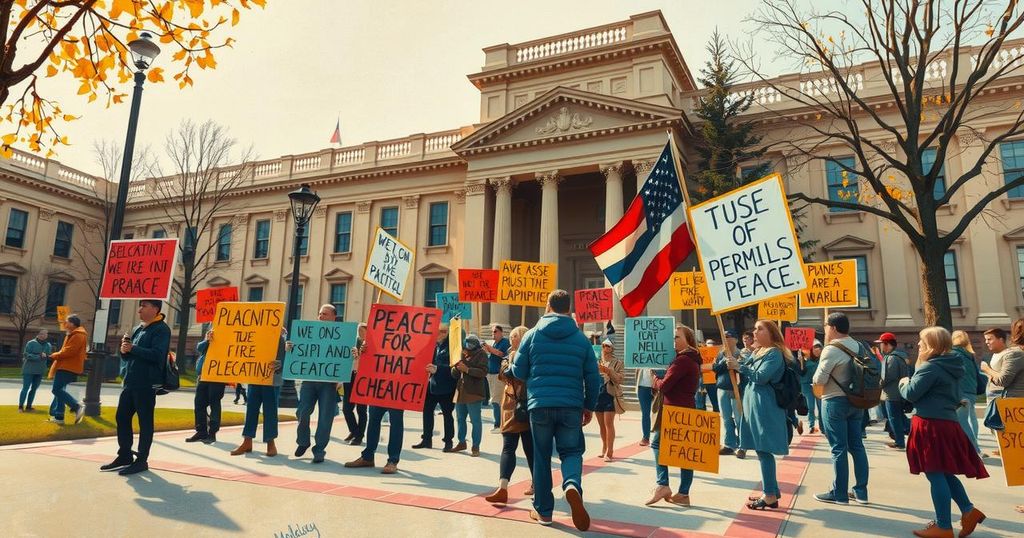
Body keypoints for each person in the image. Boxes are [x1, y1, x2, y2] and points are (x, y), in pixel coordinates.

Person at [510, 289, 601, 531]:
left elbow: (518, 372)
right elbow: (594, 378)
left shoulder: (531, 335)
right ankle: (571, 484)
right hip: (571, 405)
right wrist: (589, 406)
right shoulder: (581, 339)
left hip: (539, 404)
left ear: (548, 306)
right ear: (569, 308)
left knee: (541, 456)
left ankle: (544, 511)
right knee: (571, 451)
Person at [899, 326, 988, 538]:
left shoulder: (930, 366)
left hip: (930, 424)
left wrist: (904, 382)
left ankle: (943, 526)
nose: (918, 344)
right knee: (944, 473)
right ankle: (968, 511)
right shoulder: (954, 364)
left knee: (935, 473)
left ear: (931, 345)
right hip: (946, 423)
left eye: (922, 341)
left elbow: (911, 394)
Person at [100, 300, 170, 476]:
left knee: (145, 422)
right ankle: (124, 455)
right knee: (122, 418)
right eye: (140, 306)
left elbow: (158, 356)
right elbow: (130, 357)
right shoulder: (139, 329)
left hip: (146, 383)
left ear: (155, 309)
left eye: (144, 306)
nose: (139, 309)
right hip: (130, 382)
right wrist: (125, 351)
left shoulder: (161, 329)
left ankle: (141, 460)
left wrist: (134, 348)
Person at [729, 320, 790, 510]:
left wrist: (740, 368)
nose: (754, 332)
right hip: (753, 404)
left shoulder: (774, 353)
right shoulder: (758, 351)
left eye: (759, 329)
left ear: (771, 333)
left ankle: (770, 495)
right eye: (755, 329)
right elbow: (743, 366)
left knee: (764, 450)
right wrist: (731, 361)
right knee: (759, 449)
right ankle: (771, 490)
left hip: (765, 406)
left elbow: (761, 377)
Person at [812, 312, 870, 505]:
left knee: (838, 448)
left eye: (826, 326)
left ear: (834, 328)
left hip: (835, 401)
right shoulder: (859, 346)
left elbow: (819, 379)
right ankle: (861, 492)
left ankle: (840, 494)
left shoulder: (831, 349)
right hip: (857, 402)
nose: (825, 330)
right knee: (857, 447)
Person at [645, 324, 701, 507]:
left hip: (676, 410)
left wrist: (654, 378)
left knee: (656, 444)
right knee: (684, 454)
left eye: (677, 337)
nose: (673, 340)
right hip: (684, 409)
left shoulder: (683, 360)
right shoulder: (689, 358)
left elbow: (664, 386)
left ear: (688, 340)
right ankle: (683, 493)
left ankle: (663, 485)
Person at [484, 325, 535, 505]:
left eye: (515, 336)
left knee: (530, 449)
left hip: (525, 406)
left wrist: (514, 360)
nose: (512, 339)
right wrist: (509, 359)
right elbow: (502, 375)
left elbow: (517, 375)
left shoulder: (529, 356)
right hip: (509, 407)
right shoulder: (508, 355)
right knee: (508, 447)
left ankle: (536, 483)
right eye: (512, 336)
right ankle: (502, 487)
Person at [291, 305, 344, 463]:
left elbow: (344, 357)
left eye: (325, 314)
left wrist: (340, 379)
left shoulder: (342, 335)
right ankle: (303, 442)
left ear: (334, 317)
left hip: (329, 383)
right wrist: (290, 348)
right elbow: (299, 351)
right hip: (309, 380)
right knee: (302, 412)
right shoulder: (309, 333)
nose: (321, 317)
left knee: (325, 417)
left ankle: (319, 449)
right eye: (320, 314)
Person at [231, 328, 285, 457]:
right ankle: (247, 441)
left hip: (271, 380)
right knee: (251, 409)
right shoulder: (252, 334)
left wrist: (279, 364)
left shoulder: (278, 337)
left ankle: (270, 443)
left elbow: (283, 358)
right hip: (254, 378)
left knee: (270, 411)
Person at [413, 324, 456, 451]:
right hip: (432, 385)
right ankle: (426, 439)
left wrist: (438, 369)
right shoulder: (434, 346)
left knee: (447, 414)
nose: (435, 335)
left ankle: (448, 442)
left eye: (438, 332)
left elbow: (455, 368)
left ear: (445, 333)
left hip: (447, 387)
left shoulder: (453, 347)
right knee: (427, 412)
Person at [47, 314, 88, 426]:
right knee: (61, 391)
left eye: (67, 322)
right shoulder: (73, 334)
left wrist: (53, 355)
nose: (65, 323)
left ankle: (77, 406)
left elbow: (69, 351)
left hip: (67, 366)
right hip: (67, 366)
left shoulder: (78, 335)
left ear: (73, 323)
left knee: (56, 390)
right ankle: (59, 416)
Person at [452, 334, 489, 456]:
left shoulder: (481, 354)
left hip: (474, 393)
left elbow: (483, 372)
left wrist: (467, 369)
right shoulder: (462, 353)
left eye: (470, 343)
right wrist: (457, 367)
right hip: (461, 391)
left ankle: (475, 446)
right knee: (460, 419)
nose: (467, 346)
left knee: (475, 421)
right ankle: (461, 442)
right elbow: (454, 373)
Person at [187, 330, 226, 444]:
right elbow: (200, 348)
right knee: (199, 403)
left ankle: (212, 433)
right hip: (204, 376)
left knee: (214, 403)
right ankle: (201, 431)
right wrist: (207, 340)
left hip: (218, 375)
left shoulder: (228, 332)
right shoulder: (211, 329)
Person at [980, 328, 1012, 457]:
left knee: (1000, 424)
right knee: (992, 426)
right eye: (986, 339)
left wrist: (987, 369)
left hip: (1001, 396)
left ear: (1001, 340)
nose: (987, 342)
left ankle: (1006, 448)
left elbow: (1003, 378)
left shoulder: (1008, 355)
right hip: (992, 395)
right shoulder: (993, 355)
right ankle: (1001, 447)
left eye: (990, 339)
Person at [713, 330, 744, 457]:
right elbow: (715, 369)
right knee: (726, 418)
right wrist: (723, 361)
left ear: (736, 339)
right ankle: (729, 444)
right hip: (722, 388)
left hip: (736, 390)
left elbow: (743, 371)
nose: (725, 339)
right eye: (724, 336)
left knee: (738, 418)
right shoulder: (721, 353)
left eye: (728, 336)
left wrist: (735, 364)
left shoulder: (740, 354)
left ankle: (742, 446)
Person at [877, 332, 910, 450]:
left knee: (894, 418)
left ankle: (899, 441)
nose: (880, 347)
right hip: (899, 393)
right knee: (899, 417)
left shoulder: (890, 358)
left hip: (892, 394)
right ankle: (901, 438)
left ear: (887, 345)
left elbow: (887, 377)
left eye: (881, 344)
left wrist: (878, 385)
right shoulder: (900, 356)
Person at [950, 331, 981, 454]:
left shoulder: (953, 354)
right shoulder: (970, 355)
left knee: (962, 423)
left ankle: (975, 450)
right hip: (971, 392)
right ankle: (965, 449)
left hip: (961, 393)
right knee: (967, 420)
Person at [595, 338, 625, 461]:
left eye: (608, 346)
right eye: (603, 346)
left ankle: (610, 451)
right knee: (601, 425)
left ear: (612, 349)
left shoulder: (618, 362)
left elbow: (620, 379)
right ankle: (604, 446)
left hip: (610, 394)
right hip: (598, 393)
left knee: (608, 424)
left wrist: (609, 371)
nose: (605, 348)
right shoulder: (597, 360)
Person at [342, 322, 368, 445]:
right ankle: (354, 430)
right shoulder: (353, 342)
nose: (360, 334)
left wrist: (362, 354)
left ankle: (359, 436)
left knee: (361, 409)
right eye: (359, 331)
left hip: (363, 378)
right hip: (350, 376)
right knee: (347, 408)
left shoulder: (371, 345)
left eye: (362, 331)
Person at [482, 324, 511, 433]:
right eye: (492, 332)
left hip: (498, 376)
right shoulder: (495, 343)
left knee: (496, 400)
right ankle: (499, 423)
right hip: (491, 375)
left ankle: (498, 424)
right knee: (495, 399)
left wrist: (489, 348)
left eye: (495, 332)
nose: (493, 334)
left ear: (501, 332)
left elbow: (501, 353)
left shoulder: (504, 342)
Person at [19, 329, 50, 412]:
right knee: (25, 388)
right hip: (28, 370)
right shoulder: (31, 343)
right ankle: (20, 407)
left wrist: (46, 355)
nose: (45, 335)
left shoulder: (48, 345)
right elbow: (26, 355)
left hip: (40, 370)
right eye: (43, 333)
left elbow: (48, 356)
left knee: (34, 389)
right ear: (38, 334)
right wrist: (39, 356)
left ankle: (29, 407)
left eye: (46, 334)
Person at [796, 340, 821, 435]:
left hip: (819, 385)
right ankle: (811, 426)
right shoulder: (805, 359)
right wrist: (801, 361)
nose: (817, 351)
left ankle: (823, 426)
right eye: (815, 349)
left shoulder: (823, 360)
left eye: (819, 349)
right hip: (806, 385)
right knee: (810, 407)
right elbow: (801, 372)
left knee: (821, 407)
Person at [635, 366, 655, 446]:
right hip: (642, 386)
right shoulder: (641, 358)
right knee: (645, 413)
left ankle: (660, 437)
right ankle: (646, 437)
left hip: (657, 385)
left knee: (660, 413)